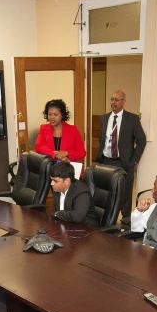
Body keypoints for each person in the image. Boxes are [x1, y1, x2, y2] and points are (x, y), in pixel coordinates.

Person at [95, 90, 147, 230]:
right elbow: (102, 139)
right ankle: (106, 221)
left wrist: (133, 160)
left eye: (117, 100)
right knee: (107, 192)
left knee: (124, 194)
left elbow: (141, 140)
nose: (113, 102)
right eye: (111, 99)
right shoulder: (104, 118)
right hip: (106, 161)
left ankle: (125, 223)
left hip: (124, 163)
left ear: (124, 101)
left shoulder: (132, 119)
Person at [35, 99, 86, 163]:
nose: (52, 117)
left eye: (55, 114)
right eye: (50, 114)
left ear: (62, 115)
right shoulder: (43, 128)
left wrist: (67, 153)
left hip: (68, 167)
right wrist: (55, 154)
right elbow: (39, 147)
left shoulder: (73, 130)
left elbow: (81, 153)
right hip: (50, 167)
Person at [49, 161, 99, 227]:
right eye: (51, 180)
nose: (52, 183)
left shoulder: (82, 192)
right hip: (67, 226)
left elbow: (77, 217)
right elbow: (55, 209)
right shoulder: (57, 188)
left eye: (55, 181)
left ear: (67, 181)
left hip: (87, 229)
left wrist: (58, 213)